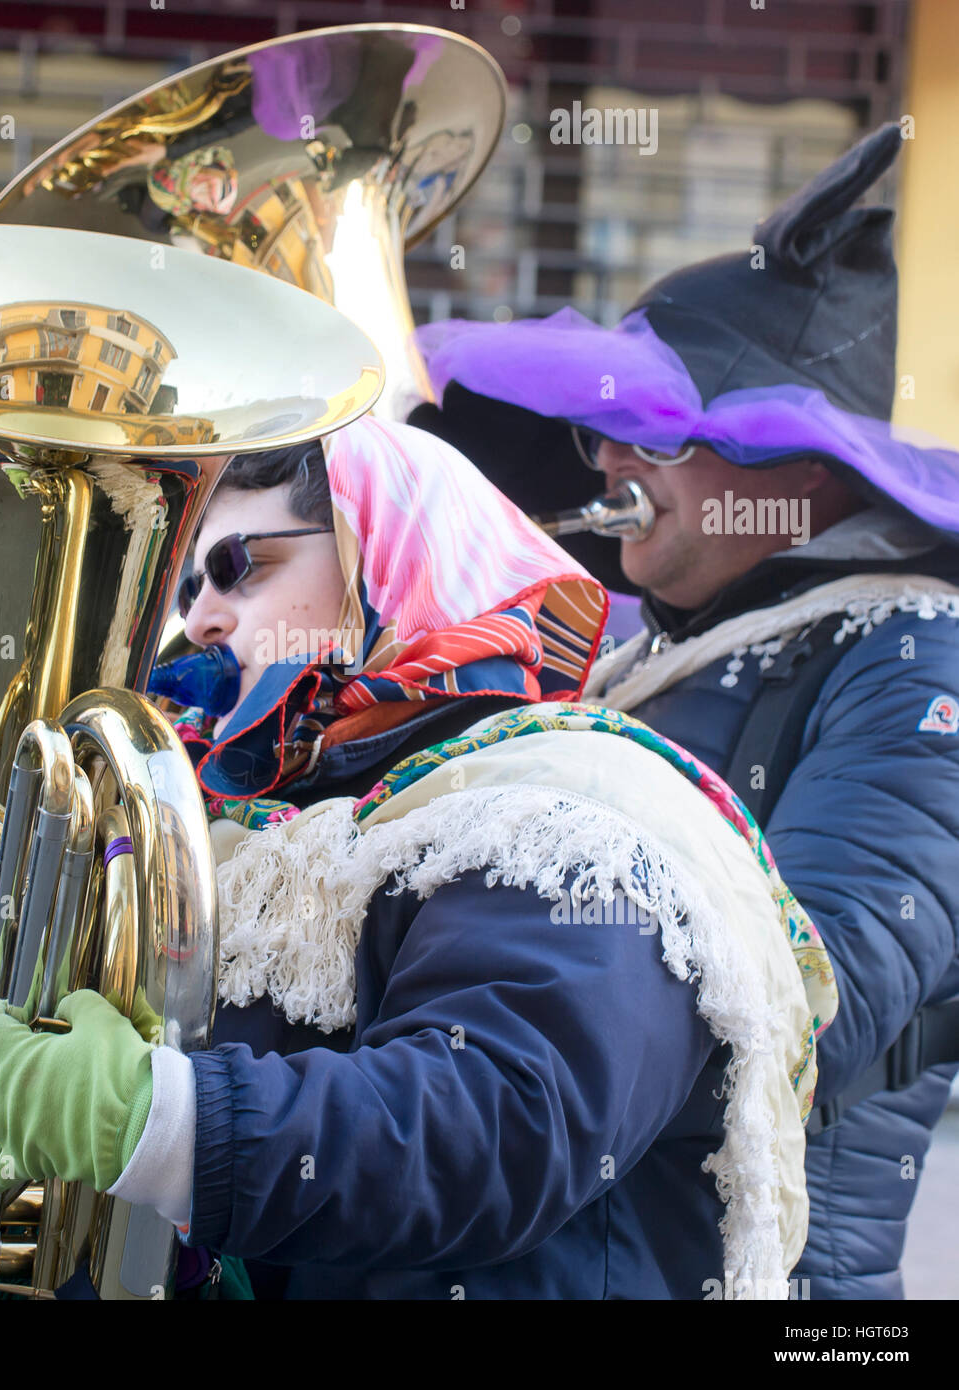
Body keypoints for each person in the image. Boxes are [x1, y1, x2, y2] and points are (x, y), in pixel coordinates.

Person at [0, 413, 836, 1299]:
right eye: (187, 588)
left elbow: (496, 1126)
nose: (202, 619)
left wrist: (157, 1120)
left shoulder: (574, 807)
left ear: (384, 547)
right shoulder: (231, 796)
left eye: (241, 567)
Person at [412, 121, 959, 1299]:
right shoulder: (639, 650)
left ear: (801, 464)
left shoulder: (917, 658)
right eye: (605, 425)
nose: (609, 459)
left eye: (657, 428)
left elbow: (808, 1005)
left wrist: (440, 1073)